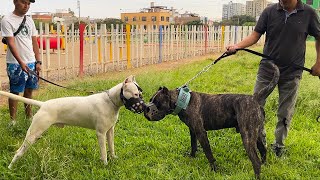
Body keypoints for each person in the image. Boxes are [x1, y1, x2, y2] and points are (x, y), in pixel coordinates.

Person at [226, 0, 320, 157]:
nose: (282, 1)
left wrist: (318, 63)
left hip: (292, 72)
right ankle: (259, 141)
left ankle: (279, 145)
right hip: (267, 70)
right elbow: (255, 36)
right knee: (255, 106)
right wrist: (237, 46)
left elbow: (319, 36)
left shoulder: (309, 13)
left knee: (285, 111)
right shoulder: (269, 12)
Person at [1, 0, 41, 125]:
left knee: (29, 90)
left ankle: (29, 117)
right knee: (15, 92)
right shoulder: (7, 20)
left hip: (31, 61)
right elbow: (11, 43)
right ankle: (13, 121)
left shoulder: (29, 20)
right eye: (23, 2)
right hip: (15, 63)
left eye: (29, 4)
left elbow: (34, 41)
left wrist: (38, 61)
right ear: (15, 2)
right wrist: (20, 62)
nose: (26, 6)